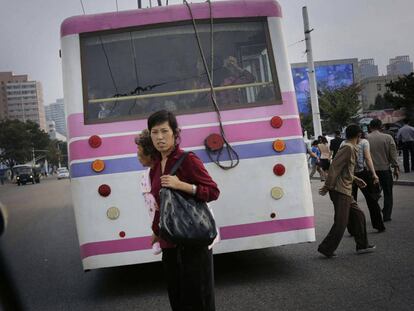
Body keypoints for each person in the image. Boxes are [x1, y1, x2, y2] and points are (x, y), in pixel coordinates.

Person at [148, 110, 220, 311]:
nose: (160, 137)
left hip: (192, 241)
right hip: (169, 243)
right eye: (155, 132)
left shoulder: (187, 159)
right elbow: (160, 203)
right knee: (178, 300)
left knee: (198, 301)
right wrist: (155, 230)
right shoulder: (155, 166)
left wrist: (183, 185)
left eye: (164, 131)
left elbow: (213, 191)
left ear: (174, 133)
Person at [318, 124, 376, 258]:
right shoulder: (348, 148)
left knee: (359, 215)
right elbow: (334, 168)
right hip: (340, 190)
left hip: (345, 189)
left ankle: (362, 245)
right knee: (341, 222)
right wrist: (327, 186)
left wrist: (355, 179)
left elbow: (345, 169)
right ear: (359, 135)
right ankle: (326, 248)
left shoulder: (350, 147)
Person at [347, 130, 385, 233]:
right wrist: (374, 174)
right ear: (359, 134)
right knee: (372, 200)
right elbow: (368, 159)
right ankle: (378, 225)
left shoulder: (344, 143)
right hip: (362, 174)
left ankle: (352, 229)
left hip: (349, 175)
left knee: (350, 202)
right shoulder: (364, 142)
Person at [135, 129, 162, 255]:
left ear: (151, 153)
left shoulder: (162, 172)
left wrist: (156, 232)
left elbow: (162, 205)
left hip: (177, 237)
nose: (137, 154)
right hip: (166, 235)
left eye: (139, 151)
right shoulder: (148, 174)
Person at [367, 119, 399, 222]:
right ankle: (386, 215)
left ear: (370, 127)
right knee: (388, 193)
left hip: (370, 171)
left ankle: (375, 214)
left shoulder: (365, 139)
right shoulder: (388, 137)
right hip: (385, 169)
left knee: (373, 193)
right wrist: (396, 167)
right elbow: (393, 154)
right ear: (381, 127)